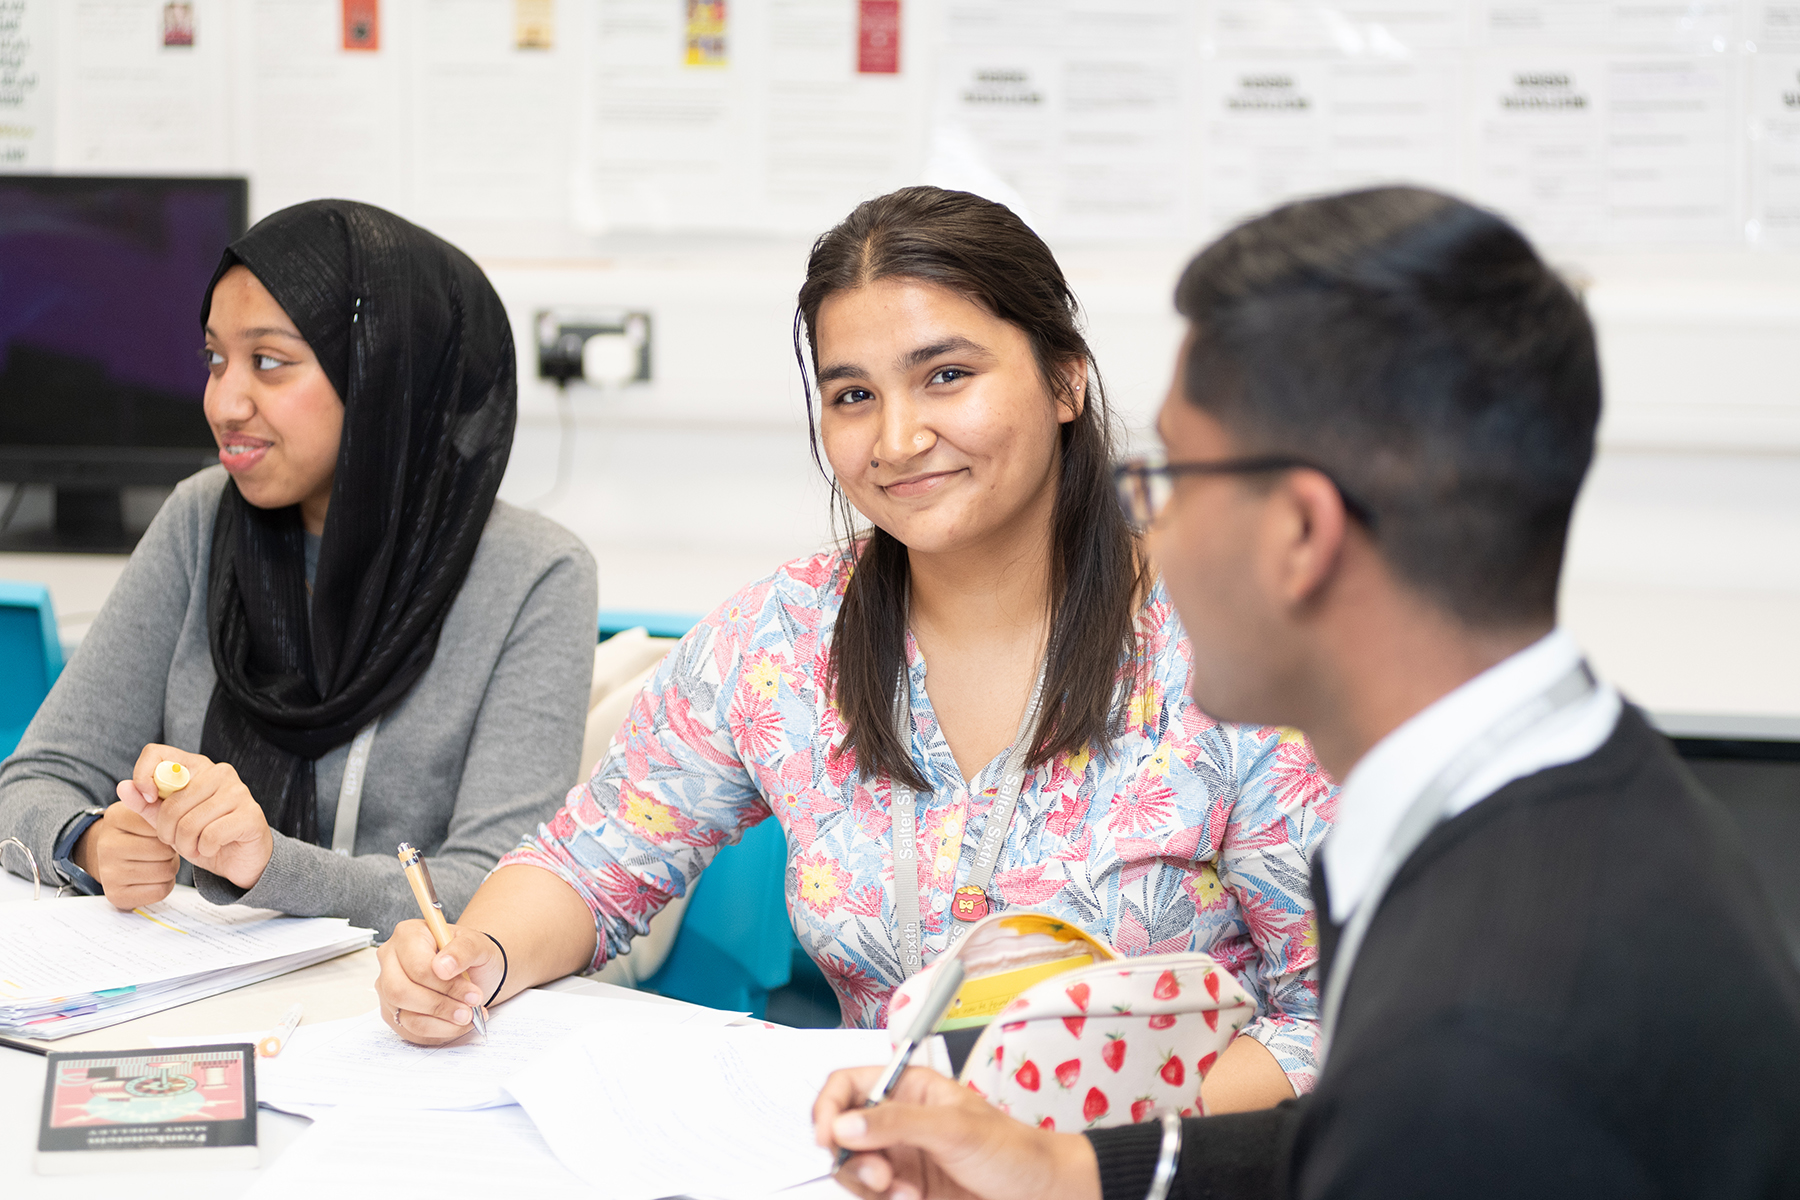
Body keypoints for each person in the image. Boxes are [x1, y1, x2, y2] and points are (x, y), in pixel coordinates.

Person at [811, 186, 1800, 1198]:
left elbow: (1417, 1127)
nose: (1151, 534)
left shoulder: (1489, 1036)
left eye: (1177, 481)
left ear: (1300, 535)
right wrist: (1067, 1171)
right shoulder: (1582, 799)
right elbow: (1361, 1133)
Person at [376, 186, 1334, 1114]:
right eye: (852, 395)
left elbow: (1332, 1019)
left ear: (1064, 378)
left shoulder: (1230, 648)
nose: (899, 437)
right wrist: (473, 961)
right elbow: (590, 866)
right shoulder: (782, 639)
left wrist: (1066, 1141)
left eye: (947, 376)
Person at [0, 200, 598, 937]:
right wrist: (88, 841)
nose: (224, 402)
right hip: (192, 984)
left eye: (269, 363)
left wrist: (265, 865)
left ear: (384, 376)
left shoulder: (537, 575)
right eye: (215, 360)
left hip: (405, 1014)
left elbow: (503, 890)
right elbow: (31, 782)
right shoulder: (200, 517)